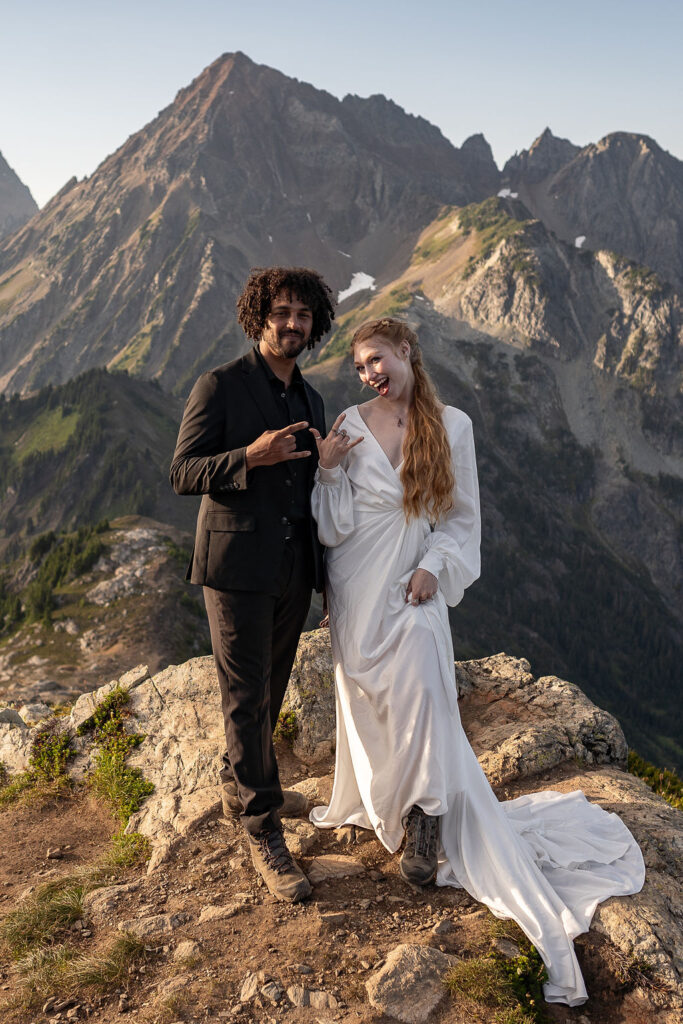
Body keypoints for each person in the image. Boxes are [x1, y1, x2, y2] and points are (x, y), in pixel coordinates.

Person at [308, 316, 645, 1006]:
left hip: (413, 583)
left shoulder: (450, 425)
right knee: (372, 702)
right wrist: (329, 471)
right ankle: (393, 802)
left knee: (428, 692)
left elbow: (462, 521)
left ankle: (428, 817)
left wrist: (435, 565)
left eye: (379, 358)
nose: (371, 372)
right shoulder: (346, 420)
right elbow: (330, 525)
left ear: (406, 352)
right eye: (361, 365)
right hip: (356, 582)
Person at [170, 266, 334, 903]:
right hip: (236, 570)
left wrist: (324, 579)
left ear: (314, 324)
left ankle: (248, 779)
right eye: (282, 312)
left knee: (270, 687)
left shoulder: (312, 400)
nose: (292, 324)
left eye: (303, 315)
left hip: (293, 569)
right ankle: (261, 826)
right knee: (245, 695)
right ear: (258, 316)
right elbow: (183, 472)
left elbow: (312, 493)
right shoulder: (220, 386)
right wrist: (249, 457)